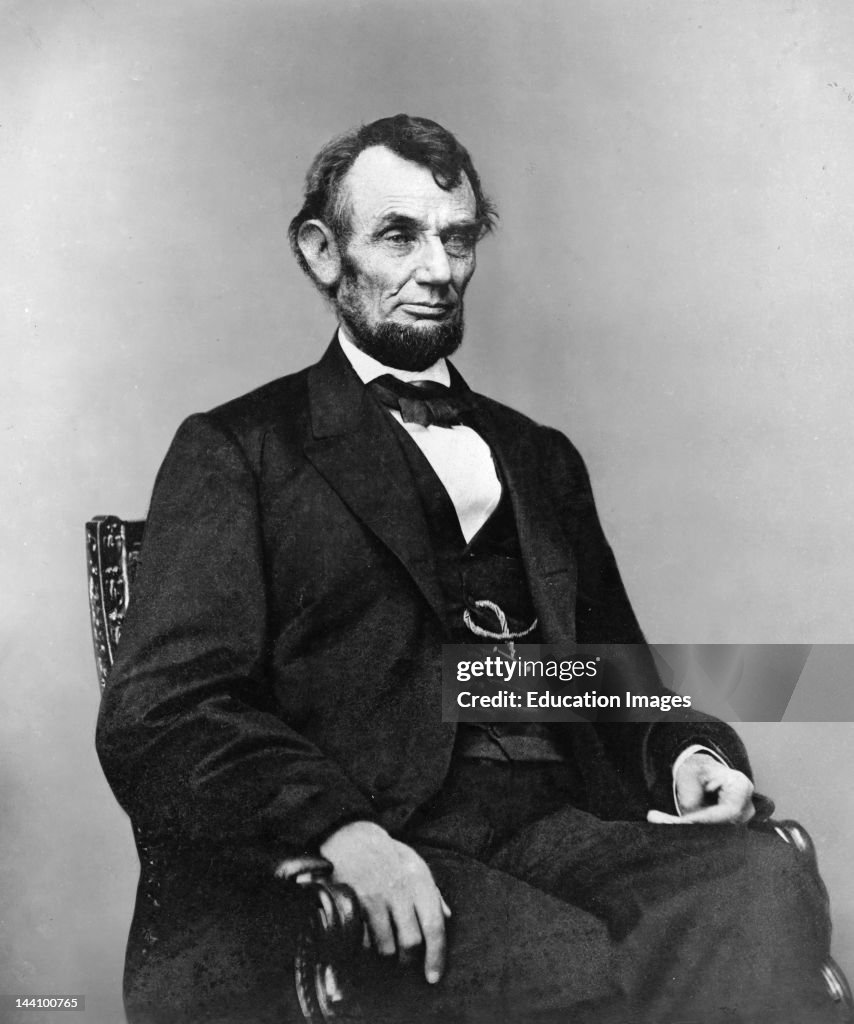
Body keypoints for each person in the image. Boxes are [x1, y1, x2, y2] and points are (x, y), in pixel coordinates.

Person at [96, 114, 844, 1024]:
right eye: (400, 236)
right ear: (323, 252)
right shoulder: (240, 450)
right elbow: (164, 708)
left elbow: (612, 676)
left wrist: (684, 756)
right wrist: (339, 830)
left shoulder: (540, 457)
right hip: (379, 833)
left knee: (756, 881)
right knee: (562, 963)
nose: (440, 270)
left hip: (554, 824)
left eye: (457, 239)